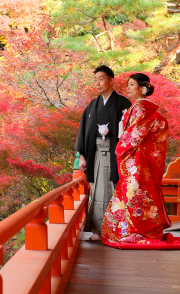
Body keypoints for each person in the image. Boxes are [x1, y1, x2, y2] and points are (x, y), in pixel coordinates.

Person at [101, 73, 180, 249]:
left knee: (134, 195)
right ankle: (142, 230)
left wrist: (119, 148)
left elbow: (133, 135)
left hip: (136, 161)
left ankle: (136, 231)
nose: (127, 87)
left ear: (142, 88)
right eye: (127, 84)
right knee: (140, 195)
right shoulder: (140, 109)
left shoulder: (141, 109)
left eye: (132, 84)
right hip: (139, 160)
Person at [75, 65, 131, 240]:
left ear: (111, 81)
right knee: (97, 192)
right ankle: (98, 230)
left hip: (117, 156)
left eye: (101, 79)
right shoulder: (93, 105)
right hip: (96, 155)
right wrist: (82, 156)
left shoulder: (123, 104)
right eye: (96, 79)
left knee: (114, 191)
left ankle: (116, 230)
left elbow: (130, 132)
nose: (97, 83)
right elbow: (84, 131)